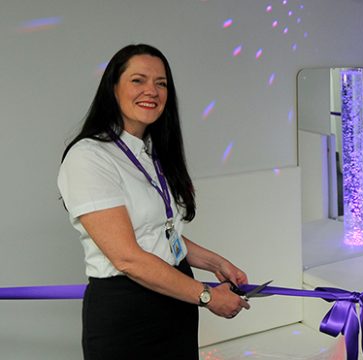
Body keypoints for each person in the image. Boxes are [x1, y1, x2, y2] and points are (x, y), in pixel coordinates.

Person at [58, 44, 250, 360]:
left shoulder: (148, 151)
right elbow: (127, 258)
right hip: (127, 315)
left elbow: (159, 231)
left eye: (161, 83)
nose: (152, 91)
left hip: (175, 298)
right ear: (113, 88)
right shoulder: (88, 157)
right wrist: (207, 296)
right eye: (138, 80)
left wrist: (216, 263)